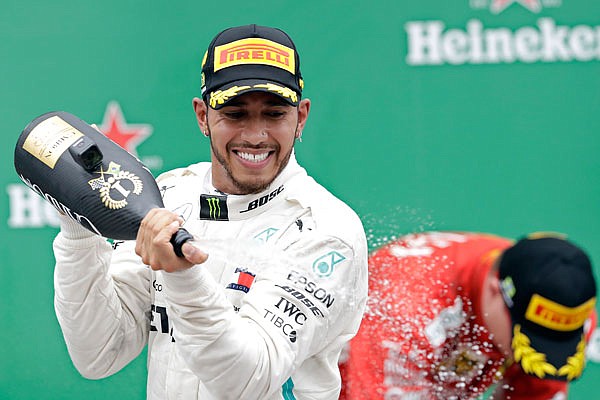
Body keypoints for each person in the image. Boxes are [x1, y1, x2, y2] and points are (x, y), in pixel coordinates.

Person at [52, 24, 368, 400]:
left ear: (301, 117)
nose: (255, 135)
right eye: (235, 114)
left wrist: (181, 273)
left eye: (274, 114)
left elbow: (247, 380)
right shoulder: (169, 195)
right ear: (202, 116)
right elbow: (99, 353)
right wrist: (79, 230)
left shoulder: (327, 231)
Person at [339, 231, 598, 400]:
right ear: (496, 290)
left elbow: (539, 389)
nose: (537, 351)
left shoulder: (556, 306)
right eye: (525, 338)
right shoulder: (405, 313)